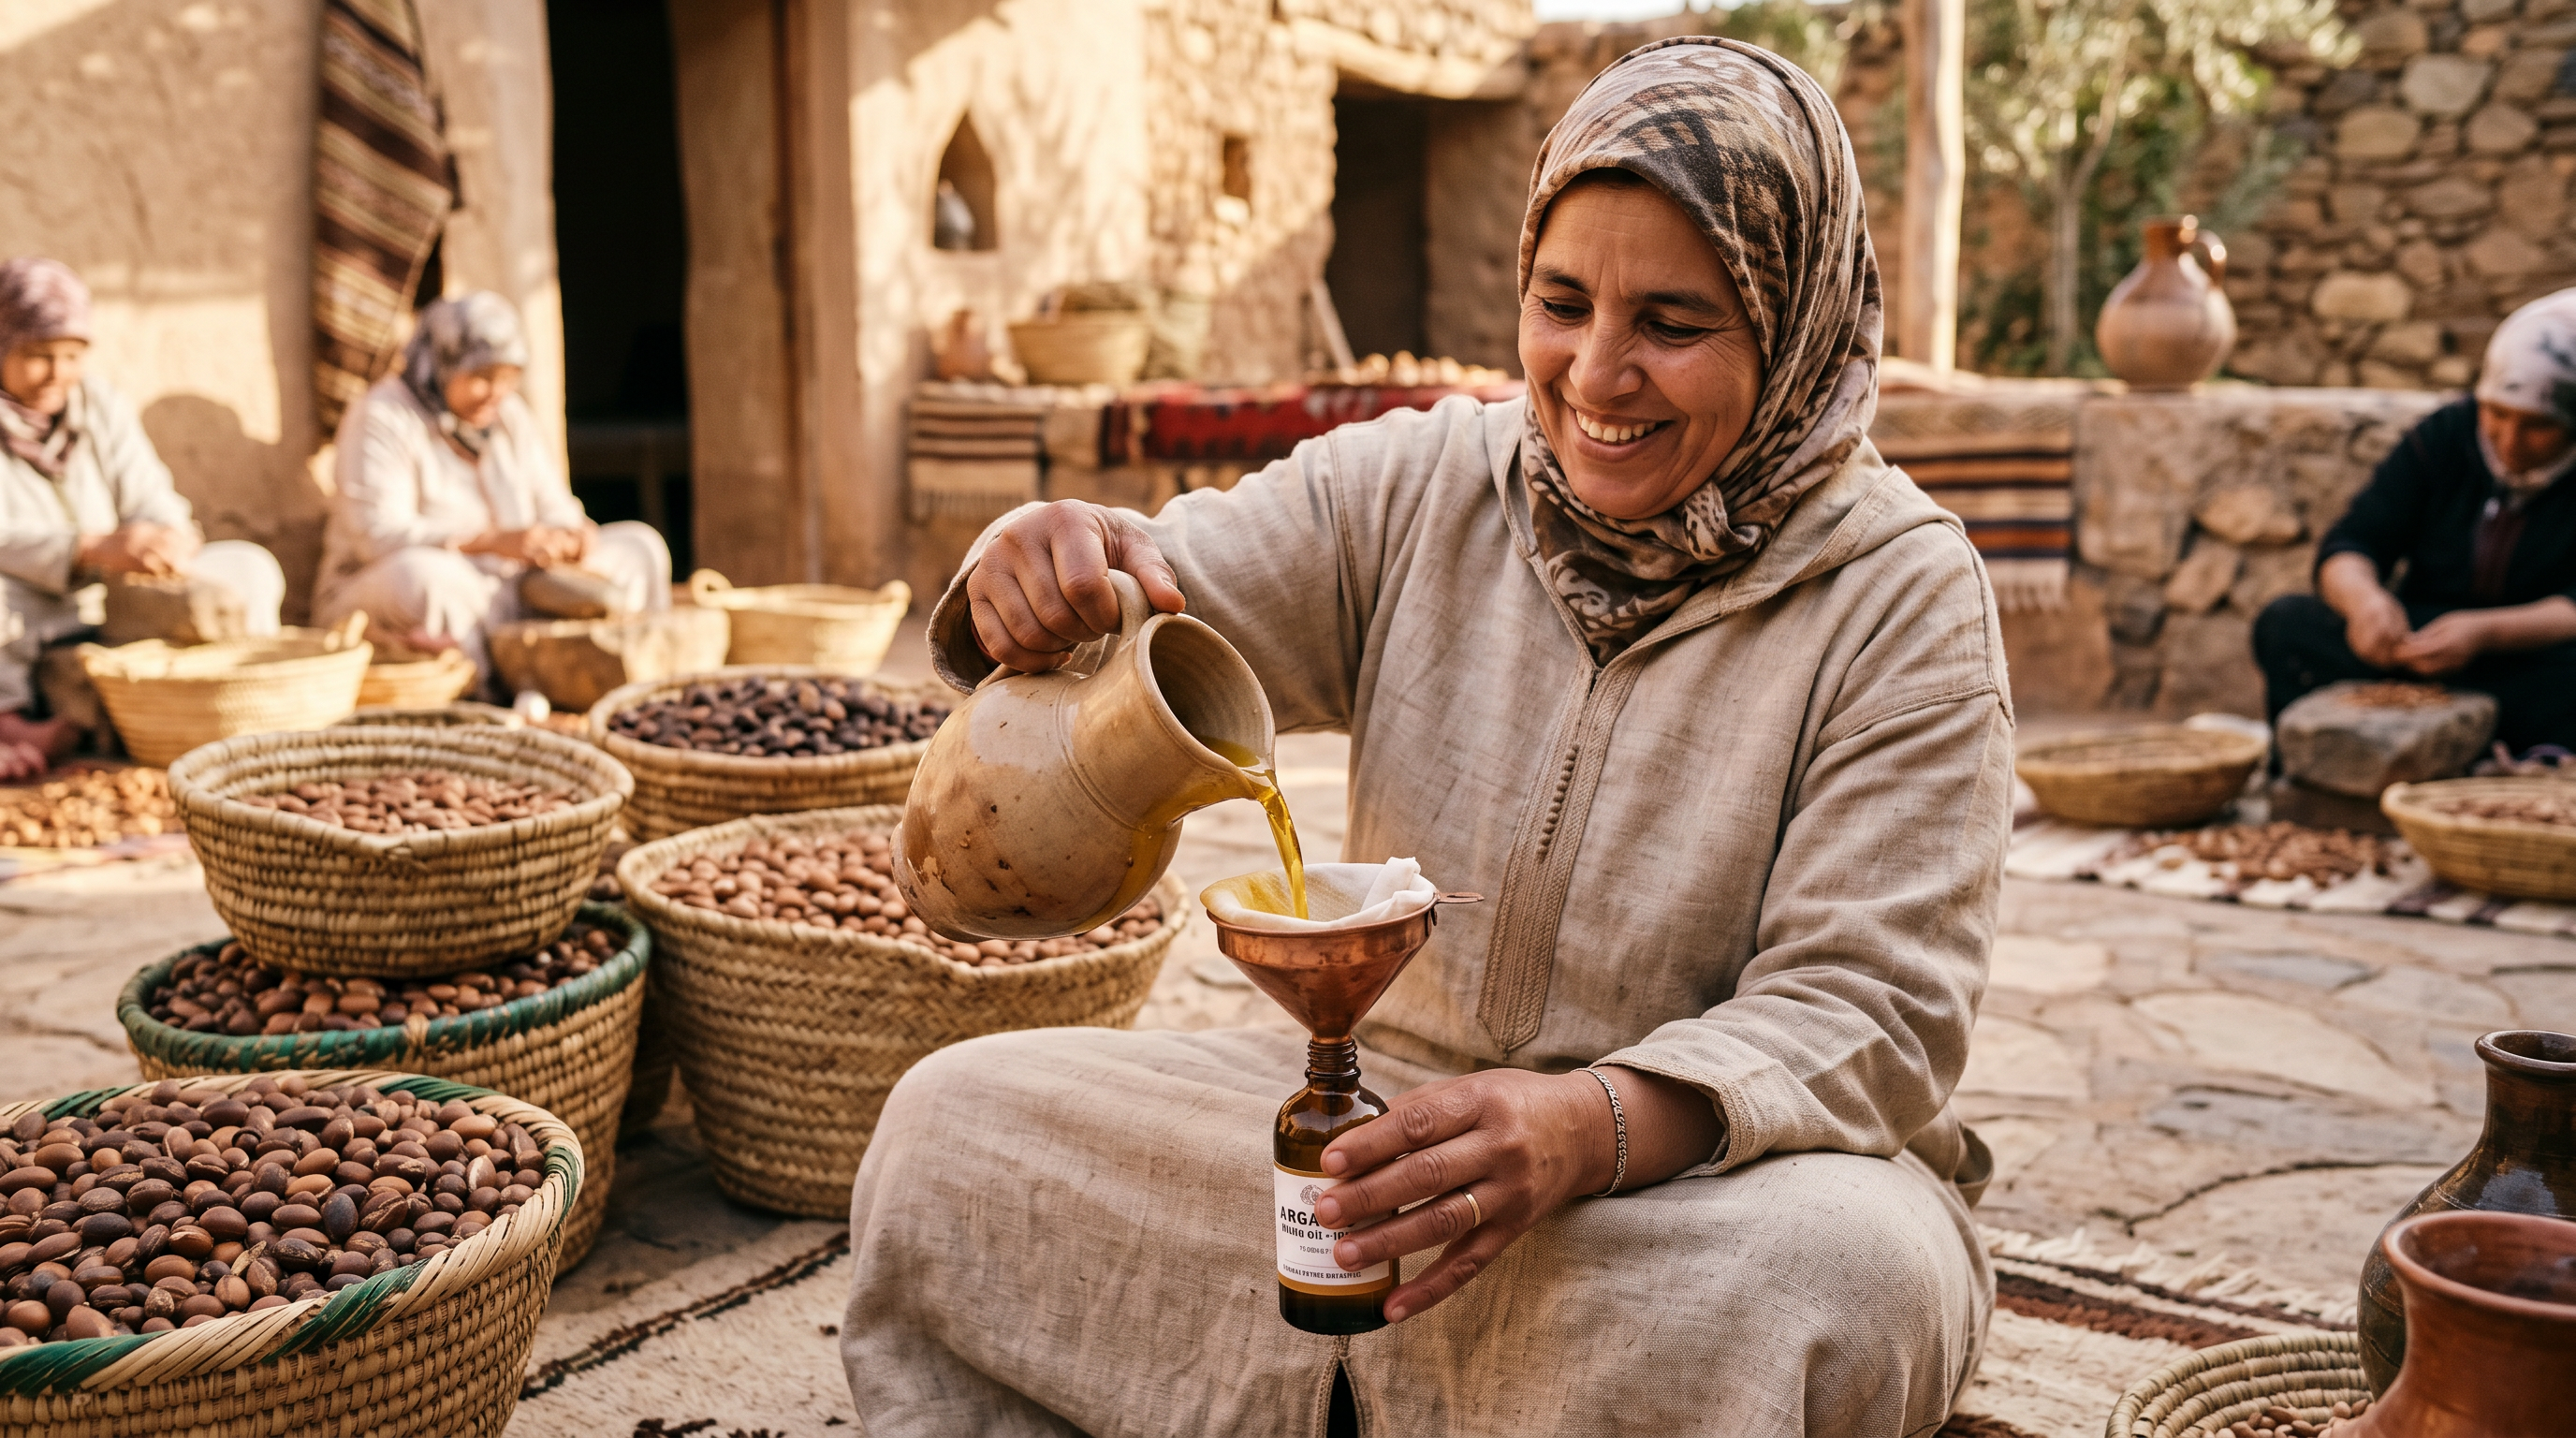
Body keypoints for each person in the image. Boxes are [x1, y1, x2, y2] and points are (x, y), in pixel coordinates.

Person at [843, 39, 2005, 1438]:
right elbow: (1155, 599)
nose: (1597, 373)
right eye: (1561, 302)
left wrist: (1589, 1125)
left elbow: (1872, 1013)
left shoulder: (1900, 594)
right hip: (1388, 1109)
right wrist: (1038, 571)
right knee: (950, 1127)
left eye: (1675, 323)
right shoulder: (1420, 484)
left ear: (1794, 322)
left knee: (1832, 1280)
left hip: (1703, 1171)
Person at [2255, 290, 2576, 753]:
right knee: (2287, 623)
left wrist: (2486, 632)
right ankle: (2311, 772)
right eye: (2498, 414)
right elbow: (2354, 542)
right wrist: (2365, 603)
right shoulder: (2446, 436)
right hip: (2421, 640)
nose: (2510, 442)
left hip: (2522, 653)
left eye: (2538, 426)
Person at [0, 257, 283, 781]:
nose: (58, 374)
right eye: (38, 356)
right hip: (25, 602)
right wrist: (86, 547)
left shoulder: (97, 404)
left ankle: (241, 704)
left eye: (71, 356)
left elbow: (153, 496)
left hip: (112, 598)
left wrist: (167, 538)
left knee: (249, 567)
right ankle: (10, 720)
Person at [314, 291, 670, 694]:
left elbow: (556, 505)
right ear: (442, 364)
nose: (496, 392)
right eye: (482, 377)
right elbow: (377, 536)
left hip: (510, 591)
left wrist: (573, 534)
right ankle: (486, 698)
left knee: (640, 547)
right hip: (399, 589)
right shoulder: (383, 416)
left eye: (508, 377)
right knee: (427, 578)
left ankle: (633, 684)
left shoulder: (509, 416)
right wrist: (493, 543)